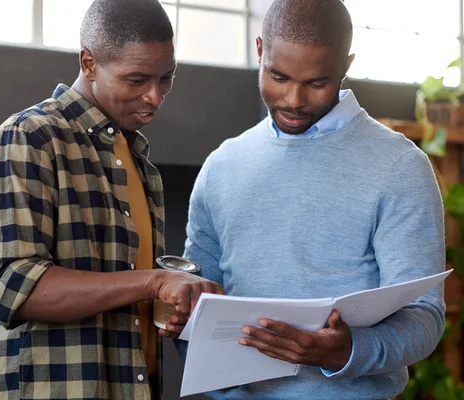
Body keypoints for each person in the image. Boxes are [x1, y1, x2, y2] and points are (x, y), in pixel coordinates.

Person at [181, 0, 446, 398]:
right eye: (278, 76)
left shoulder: (399, 166)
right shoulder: (222, 164)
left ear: (346, 65)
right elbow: (198, 294)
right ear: (260, 51)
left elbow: (424, 316)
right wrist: (180, 319)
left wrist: (348, 351)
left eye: (317, 83)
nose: (293, 99)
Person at [0, 0, 224, 399]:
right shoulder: (29, 138)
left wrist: (171, 310)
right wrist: (154, 281)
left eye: (166, 79)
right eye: (137, 79)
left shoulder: (139, 162)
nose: (155, 96)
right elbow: (14, 286)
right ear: (89, 63)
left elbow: (126, 296)